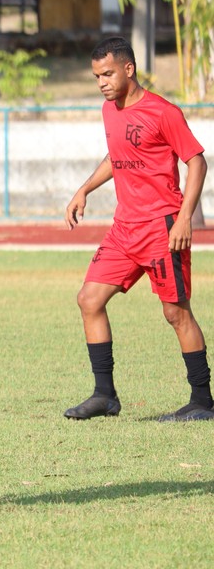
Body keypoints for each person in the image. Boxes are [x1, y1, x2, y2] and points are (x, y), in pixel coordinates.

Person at [64, 36, 212, 422]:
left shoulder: (164, 112)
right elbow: (118, 156)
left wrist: (183, 218)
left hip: (162, 227)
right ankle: (104, 396)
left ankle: (202, 401)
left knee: (175, 313)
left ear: (129, 69)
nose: (102, 82)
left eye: (108, 73)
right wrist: (85, 188)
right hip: (124, 229)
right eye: (97, 76)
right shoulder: (109, 110)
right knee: (89, 300)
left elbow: (197, 163)